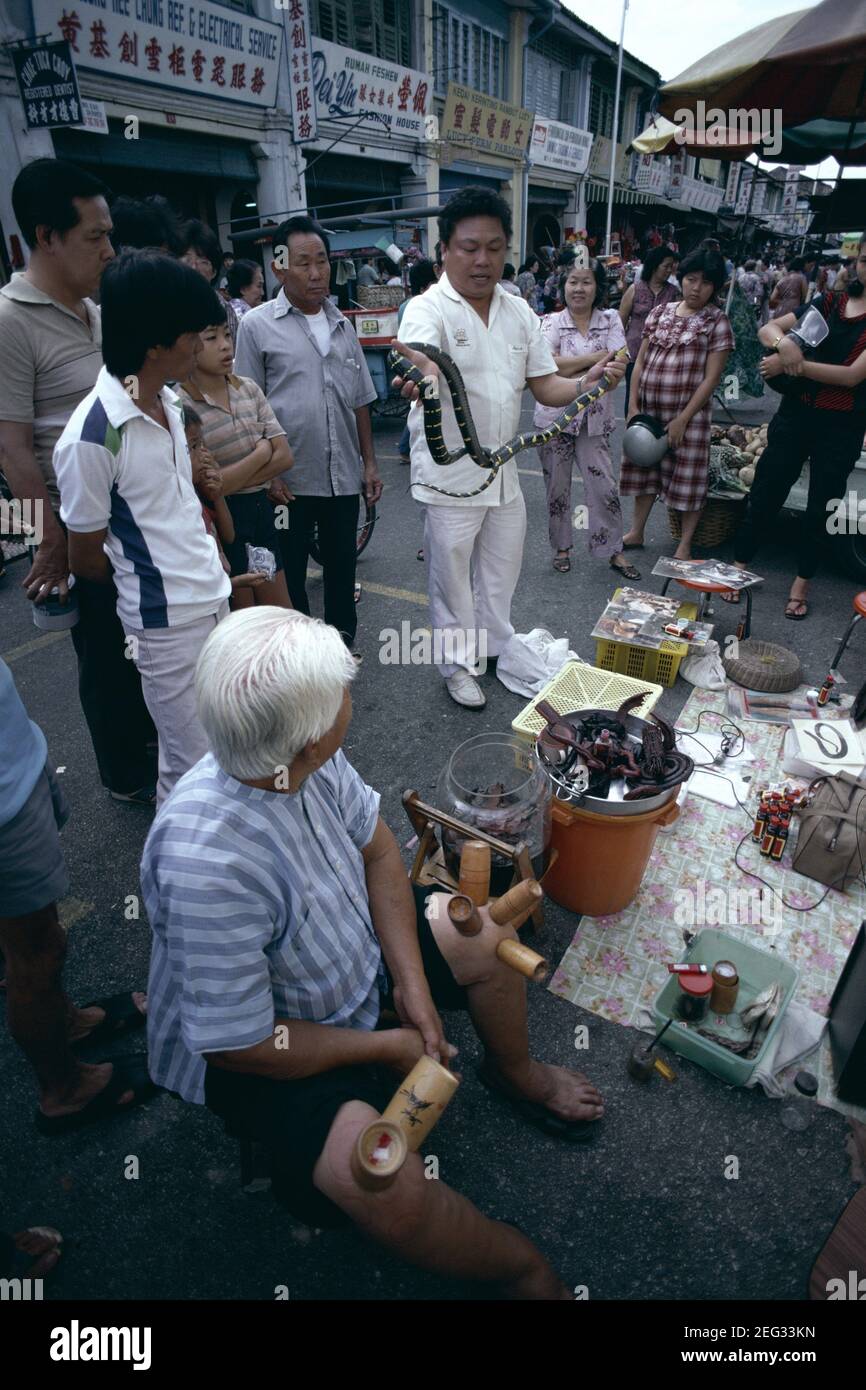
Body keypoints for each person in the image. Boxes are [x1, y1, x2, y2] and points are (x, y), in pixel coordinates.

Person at [143, 607, 603, 1295]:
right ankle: (521, 1271)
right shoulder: (207, 866)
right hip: (273, 1052)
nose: (350, 703)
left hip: (351, 964)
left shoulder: (298, 761)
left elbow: (382, 851)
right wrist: (385, 1048)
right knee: (385, 1185)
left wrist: (410, 982)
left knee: (487, 935)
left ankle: (516, 1073)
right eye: (340, 699)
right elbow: (241, 1045)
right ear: (306, 742)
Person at [392, 186, 625, 709]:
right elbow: (417, 357)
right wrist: (421, 373)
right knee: (452, 579)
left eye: (494, 248)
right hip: (448, 477)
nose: (482, 260)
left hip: (503, 473)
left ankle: (495, 646)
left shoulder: (519, 310)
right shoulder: (429, 309)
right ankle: (456, 665)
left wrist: (591, 380)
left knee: (501, 570)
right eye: (469, 247)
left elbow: (545, 386)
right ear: (445, 250)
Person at [0, 158, 157, 806]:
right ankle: (126, 777)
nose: (109, 248)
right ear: (47, 237)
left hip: (134, 510)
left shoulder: (97, 310)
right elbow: (11, 447)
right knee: (106, 656)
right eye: (95, 235)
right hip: (80, 518)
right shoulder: (10, 319)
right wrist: (50, 539)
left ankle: (157, 752)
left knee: (146, 641)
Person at [53, 251, 232, 803]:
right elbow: (85, 558)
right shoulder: (94, 435)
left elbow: (177, 509)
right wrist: (154, 587)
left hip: (212, 599)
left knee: (225, 741)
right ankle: (183, 877)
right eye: (194, 335)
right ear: (157, 343)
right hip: (164, 627)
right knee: (188, 764)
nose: (202, 347)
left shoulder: (169, 402)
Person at [0, 656, 153, 1135]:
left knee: (32, 942)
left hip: (14, 750)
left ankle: (64, 1021)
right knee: (37, 953)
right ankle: (65, 1089)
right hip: (3, 803)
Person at [234, 216, 383, 657]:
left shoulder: (342, 324)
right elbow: (246, 406)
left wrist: (369, 463)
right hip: (287, 482)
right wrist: (266, 474)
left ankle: (339, 646)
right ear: (280, 268)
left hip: (341, 476)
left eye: (323, 261)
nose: (317, 272)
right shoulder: (257, 326)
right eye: (304, 263)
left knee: (341, 564)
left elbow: (360, 400)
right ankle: (300, 655)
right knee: (290, 570)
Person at [723, 234, 866, 620]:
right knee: (767, 488)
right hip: (795, 414)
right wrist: (785, 344)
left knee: (823, 504)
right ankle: (739, 566)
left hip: (842, 424)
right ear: (856, 263)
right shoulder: (829, 302)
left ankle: (801, 583)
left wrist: (793, 365)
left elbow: (852, 376)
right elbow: (769, 329)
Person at [620, 246, 734, 561]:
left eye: (706, 283)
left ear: (715, 287)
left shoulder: (716, 321)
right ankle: (637, 530)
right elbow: (639, 362)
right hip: (648, 411)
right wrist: (632, 405)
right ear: (681, 278)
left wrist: (684, 418)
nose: (696, 288)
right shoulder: (660, 313)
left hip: (689, 416)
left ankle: (684, 544)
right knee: (644, 470)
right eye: (691, 279)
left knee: (687, 479)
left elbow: (711, 378)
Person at [177, 303, 294, 609]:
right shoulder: (179, 404)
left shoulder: (249, 389)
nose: (225, 345)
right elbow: (206, 487)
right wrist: (261, 453)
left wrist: (230, 478)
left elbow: (284, 457)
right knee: (242, 619)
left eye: (227, 335)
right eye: (211, 337)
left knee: (278, 615)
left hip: (260, 513)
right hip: (222, 521)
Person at [535, 258, 635, 579]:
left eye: (586, 282)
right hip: (554, 418)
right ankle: (562, 548)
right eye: (573, 282)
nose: (579, 289)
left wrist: (568, 364)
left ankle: (612, 549)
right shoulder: (549, 322)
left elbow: (618, 367)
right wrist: (595, 359)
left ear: (598, 287)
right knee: (557, 488)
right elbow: (545, 368)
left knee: (603, 486)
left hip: (594, 421)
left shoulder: (610, 320)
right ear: (563, 285)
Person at [618, 244, 679, 408]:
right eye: (665, 266)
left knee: (655, 396)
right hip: (634, 352)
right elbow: (620, 323)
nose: (668, 271)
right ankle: (632, 429)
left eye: (671, 267)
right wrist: (619, 352)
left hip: (661, 356)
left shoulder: (673, 293)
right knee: (633, 396)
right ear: (654, 266)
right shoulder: (635, 290)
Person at [397, 259, 438, 464]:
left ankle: (406, 447)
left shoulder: (406, 305)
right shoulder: (420, 306)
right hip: (422, 372)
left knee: (419, 406)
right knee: (423, 405)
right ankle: (406, 448)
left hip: (418, 370)